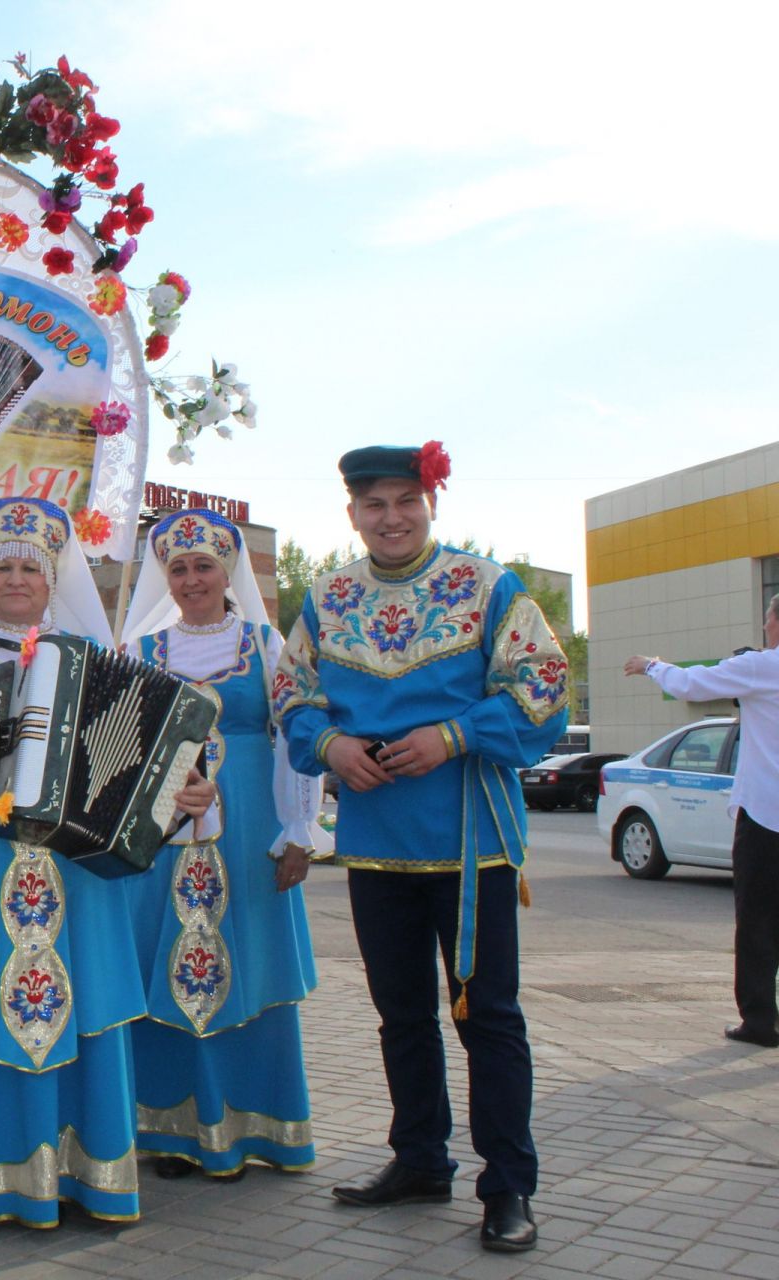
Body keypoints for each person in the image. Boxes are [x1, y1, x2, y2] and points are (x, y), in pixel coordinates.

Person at [0, 496, 213, 1232]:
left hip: (75, 869)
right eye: (4, 570)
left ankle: (86, 1176)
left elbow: (149, 766)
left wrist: (184, 795)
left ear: (53, 579)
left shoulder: (94, 655)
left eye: (32, 568)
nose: (17, 581)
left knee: (81, 999)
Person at [273, 442, 567, 1253]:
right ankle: (419, 1160)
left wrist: (455, 734)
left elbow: (543, 687)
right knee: (400, 1015)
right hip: (374, 846)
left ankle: (508, 1186)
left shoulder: (485, 586)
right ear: (352, 514)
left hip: (471, 841)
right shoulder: (325, 598)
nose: (392, 517)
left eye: (406, 500)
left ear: (430, 503)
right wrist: (328, 748)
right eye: (375, 505)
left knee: (489, 1020)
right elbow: (292, 693)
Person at [119, 509, 321, 1178]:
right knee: (166, 963)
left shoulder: (266, 646)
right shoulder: (140, 653)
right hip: (164, 835)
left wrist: (299, 833)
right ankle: (174, 1128)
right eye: (178, 568)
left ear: (228, 571)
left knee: (250, 966)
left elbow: (293, 744)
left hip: (249, 832)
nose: (191, 578)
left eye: (203, 565)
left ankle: (254, 1125)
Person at [625, 599, 779, 1049]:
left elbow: (692, 685)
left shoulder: (760, 667)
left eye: (767, 620)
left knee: (757, 920)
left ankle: (760, 1020)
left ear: (776, 622)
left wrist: (652, 665)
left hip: (767, 816)